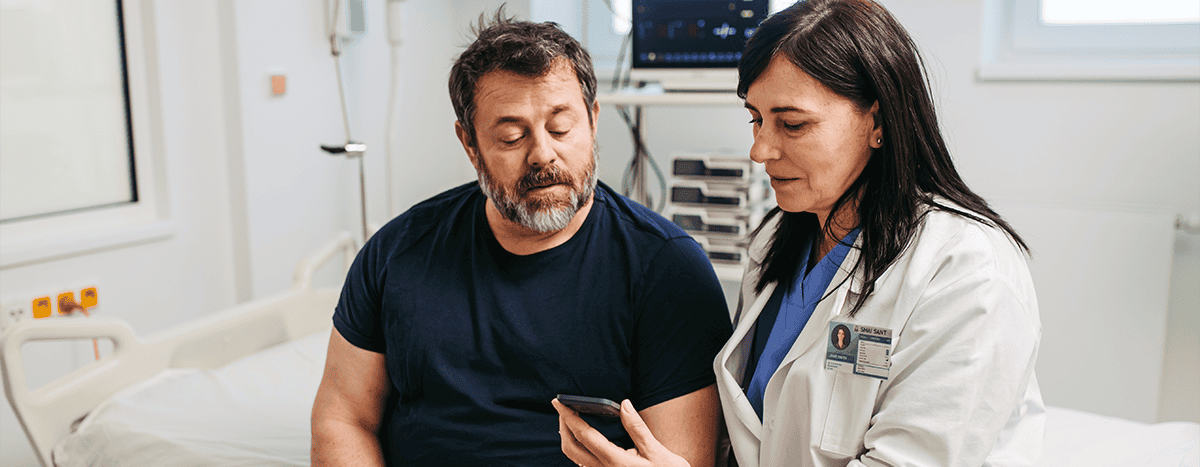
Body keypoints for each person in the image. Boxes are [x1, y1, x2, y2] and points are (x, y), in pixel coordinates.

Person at [554, 1, 1044, 466]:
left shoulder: (967, 270)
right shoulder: (777, 242)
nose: (760, 149)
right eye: (756, 119)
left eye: (791, 124)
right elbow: (754, 436)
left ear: (877, 121)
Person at [311, 9, 732, 467]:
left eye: (561, 127)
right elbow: (343, 418)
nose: (542, 154)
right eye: (511, 137)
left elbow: (682, 458)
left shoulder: (668, 270)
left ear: (592, 120)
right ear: (469, 143)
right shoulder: (396, 254)